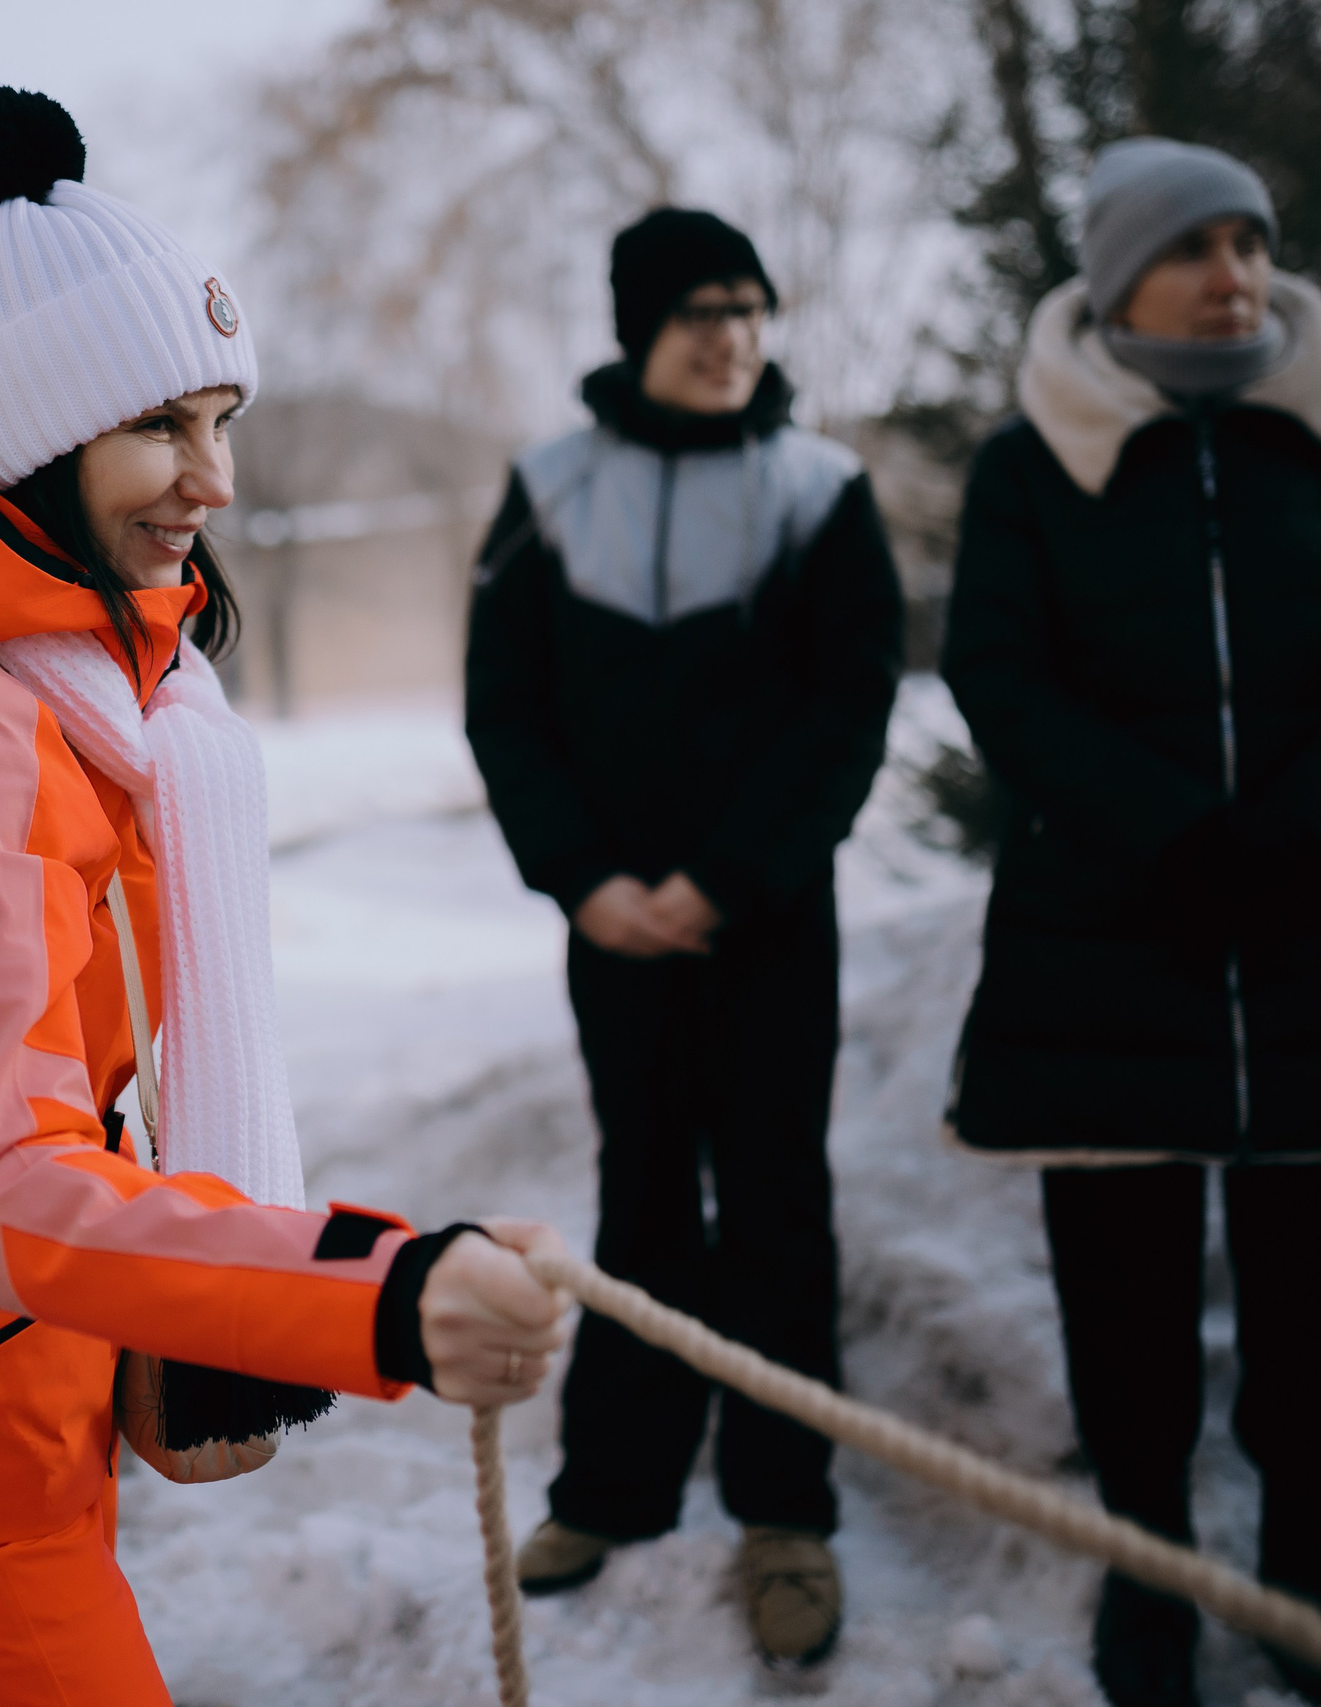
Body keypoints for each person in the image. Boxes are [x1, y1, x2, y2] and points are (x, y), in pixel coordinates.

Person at [0, 86, 570, 1707]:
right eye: (162, 429)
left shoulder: (101, 689)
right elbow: (6, 1186)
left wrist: (162, 1354)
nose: (218, 481)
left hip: (14, 1368)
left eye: (224, 417)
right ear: (38, 446)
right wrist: (377, 1296)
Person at [941, 138, 1321, 1707]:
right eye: (1197, 247)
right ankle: (1153, 1574)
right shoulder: (1028, 463)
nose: (1236, 274)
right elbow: (1003, 670)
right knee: (1124, 1305)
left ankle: (1311, 1570)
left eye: (1252, 242)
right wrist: (1169, 833)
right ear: (1123, 277)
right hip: (1111, 938)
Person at [463, 208, 903, 1664]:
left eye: (750, 309)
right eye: (702, 310)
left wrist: (724, 877)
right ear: (640, 326)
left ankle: (788, 1513)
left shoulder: (820, 491)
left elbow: (850, 712)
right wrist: (583, 877)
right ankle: (618, 1486)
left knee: (774, 1195)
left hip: (768, 920)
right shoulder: (549, 487)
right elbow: (507, 707)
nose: (732, 336)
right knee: (643, 1192)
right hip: (611, 924)